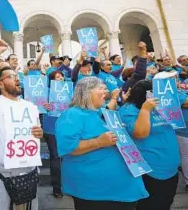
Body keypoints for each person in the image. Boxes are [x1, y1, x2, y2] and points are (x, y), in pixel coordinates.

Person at [56, 77, 148, 210]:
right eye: (101, 88)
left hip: (119, 189)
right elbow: (69, 148)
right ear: (86, 92)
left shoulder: (101, 113)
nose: (106, 91)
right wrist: (99, 142)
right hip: (96, 192)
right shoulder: (72, 114)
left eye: (106, 88)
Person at [0, 39, 43, 210]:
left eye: (17, 76)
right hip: (2, 174)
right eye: (11, 76)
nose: (17, 79)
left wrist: (39, 133)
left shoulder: (30, 107)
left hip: (29, 172)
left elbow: (36, 133)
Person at [119, 79, 182, 210]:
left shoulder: (163, 104)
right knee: (151, 205)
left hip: (171, 169)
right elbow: (140, 133)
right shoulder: (129, 109)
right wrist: (146, 110)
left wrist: (173, 90)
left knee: (166, 203)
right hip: (150, 171)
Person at [41, 70, 65, 198]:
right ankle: (57, 188)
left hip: (66, 127)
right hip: (51, 127)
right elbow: (37, 105)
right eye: (57, 77)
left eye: (61, 76)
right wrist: (44, 106)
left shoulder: (69, 91)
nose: (60, 78)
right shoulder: (46, 92)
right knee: (55, 157)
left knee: (66, 158)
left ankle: (67, 185)